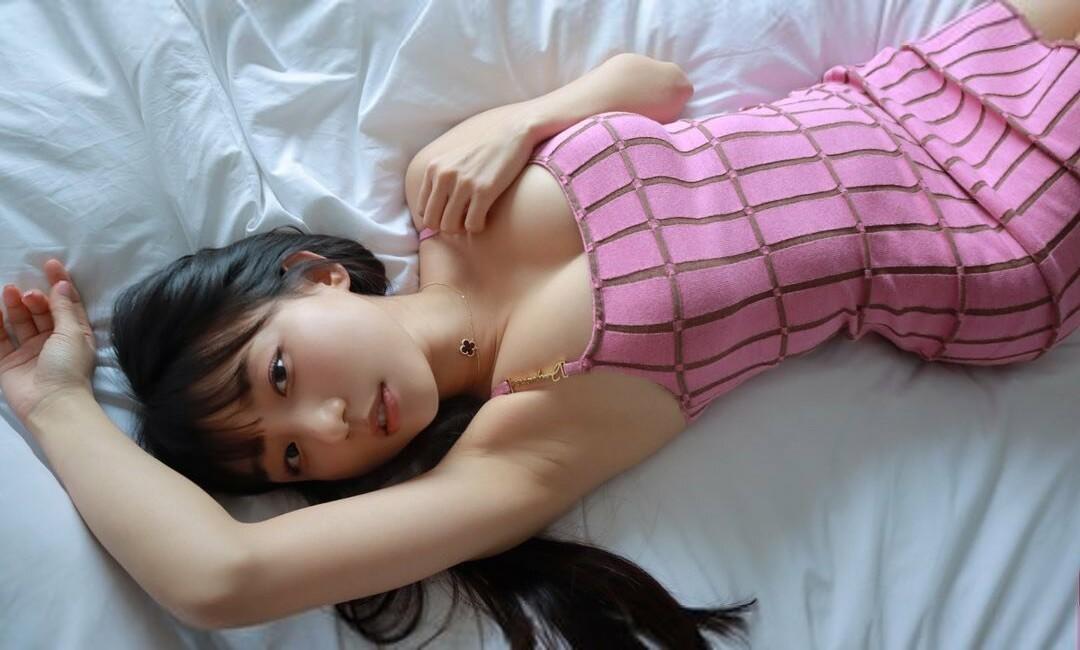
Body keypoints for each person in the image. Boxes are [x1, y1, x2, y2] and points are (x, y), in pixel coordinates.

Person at [1, 1, 1077, 647]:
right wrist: (55, 404)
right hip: (997, 235)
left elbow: (657, 87)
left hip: (915, 84)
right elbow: (219, 577)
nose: (327, 425)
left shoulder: (447, 191)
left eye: (279, 375)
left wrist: (530, 117)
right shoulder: (523, 438)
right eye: (290, 456)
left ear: (314, 276)